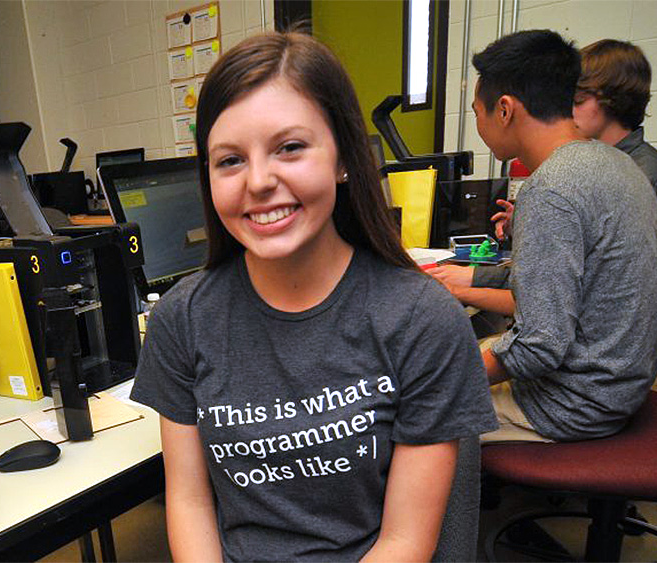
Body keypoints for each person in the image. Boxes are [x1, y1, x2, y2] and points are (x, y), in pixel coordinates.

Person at [129, 31, 497, 561]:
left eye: (290, 147)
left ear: (344, 157)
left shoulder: (422, 319)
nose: (258, 181)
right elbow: (188, 503)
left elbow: (405, 541)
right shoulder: (183, 318)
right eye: (229, 160)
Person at [470, 30, 657, 443]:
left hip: (573, 405)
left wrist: (442, 377)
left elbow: (539, 346)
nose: (478, 123)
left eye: (476, 111)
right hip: (622, 386)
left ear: (504, 110)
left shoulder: (551, 187)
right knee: (471, 346)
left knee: (412, 405)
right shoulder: (619, 164)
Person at [432, 37, 657, 313]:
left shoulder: (560, 185)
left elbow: (541, 336)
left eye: (576, 100)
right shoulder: (620, 166)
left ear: (504, 110)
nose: (567, 112)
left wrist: (465, 286)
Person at [574, 39, 657, 189]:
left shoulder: (641, 174)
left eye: (578, 99)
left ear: (614, 98)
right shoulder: (601, 162)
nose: (568, 110)